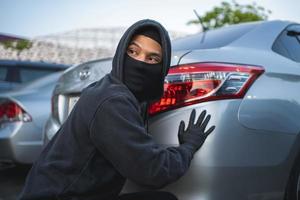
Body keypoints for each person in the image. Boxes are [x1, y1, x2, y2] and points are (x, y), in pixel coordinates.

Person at [19, 19, 215, 200]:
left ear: (161, 68)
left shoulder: (110, 89)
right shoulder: (112, 101)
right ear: (121, 52)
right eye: (133, 52)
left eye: (153, 59)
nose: (140, 63)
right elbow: (152, 171)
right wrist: (188, 147)